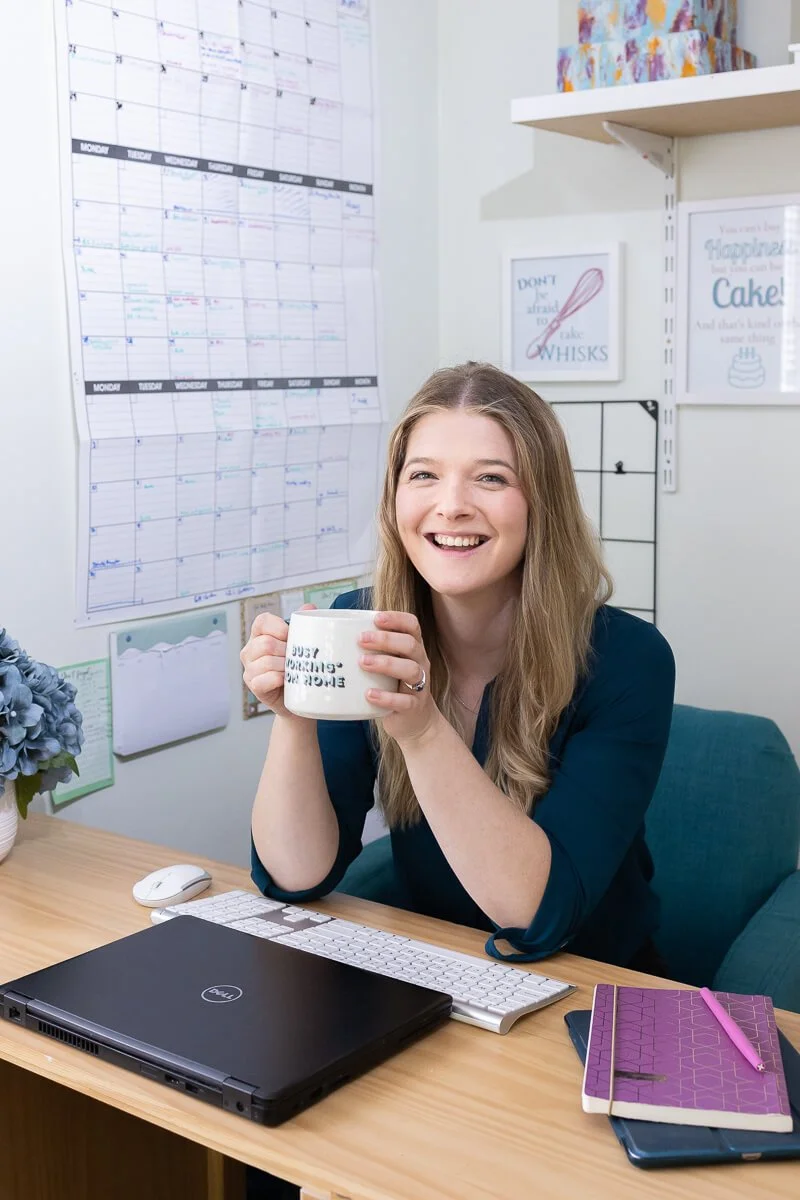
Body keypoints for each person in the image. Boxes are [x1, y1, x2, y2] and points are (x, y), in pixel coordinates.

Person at [241, 361, 675, 1198]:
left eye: (491, 479)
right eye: (424, 476)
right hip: (432, 986)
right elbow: (293, 876)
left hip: (584, 1005)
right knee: (277, 1162)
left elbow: (535, 915)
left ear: (538, 502)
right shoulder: (357, 622)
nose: (451, 507)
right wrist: (293, 717)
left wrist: (418, 726)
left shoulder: (625, 661)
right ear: (394, 500)